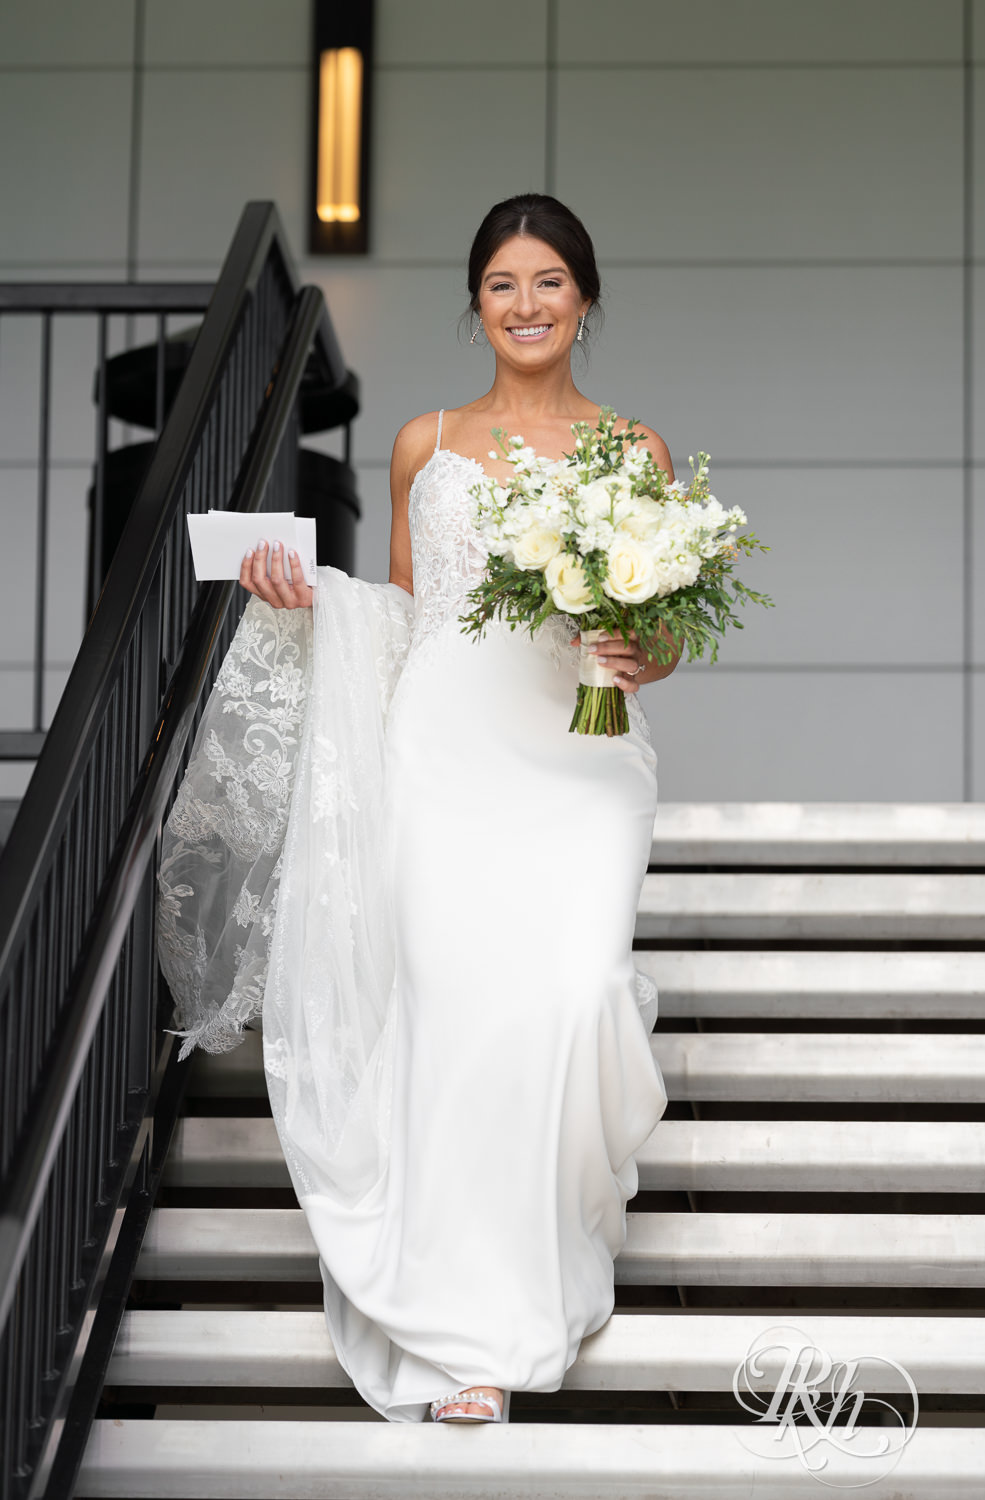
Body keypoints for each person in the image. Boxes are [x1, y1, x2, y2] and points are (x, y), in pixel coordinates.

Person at [157, 192, 680, 1426]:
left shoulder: (636, 452)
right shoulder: (422, 442)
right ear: (476, 304)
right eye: (501, 283)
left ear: (584, 298)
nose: (526, 303)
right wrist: (303, 599)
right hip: (443, 755)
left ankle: (548, 1250)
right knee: (454, 1022)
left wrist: (635, 641)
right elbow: (408, 615)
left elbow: (659, 637)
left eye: (548, 280)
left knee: (570, 995)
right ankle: (477, 1339)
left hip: (580, 758)